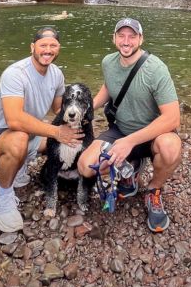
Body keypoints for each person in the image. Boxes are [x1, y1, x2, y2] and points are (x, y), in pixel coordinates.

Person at [78, 17, 181, 233]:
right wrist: (88, 110)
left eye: (132, 36)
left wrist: (129, 142)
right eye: (121, 36)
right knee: (85, 167)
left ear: (141, 39)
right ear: (114, 39)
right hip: (121, 130)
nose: (126, 41)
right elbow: (109, 87)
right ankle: (131, 170)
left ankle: (153, 190)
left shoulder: (156, 69)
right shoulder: (108, 62)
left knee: (171, 147)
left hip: (152, 135)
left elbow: (172, 118)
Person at [0, 26, 83, 232]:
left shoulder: (57, 75)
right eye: (43, 45)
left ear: (58, 49)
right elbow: (14, 120)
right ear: (32, 47)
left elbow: (58, 109)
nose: (48, 50)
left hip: (31, 136)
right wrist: (56, 132)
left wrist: (82, 107)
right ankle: (2, 199)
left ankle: (21, 164)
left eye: (52, 45)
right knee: (20, 137)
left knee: (73, 140)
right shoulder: (15, 74)